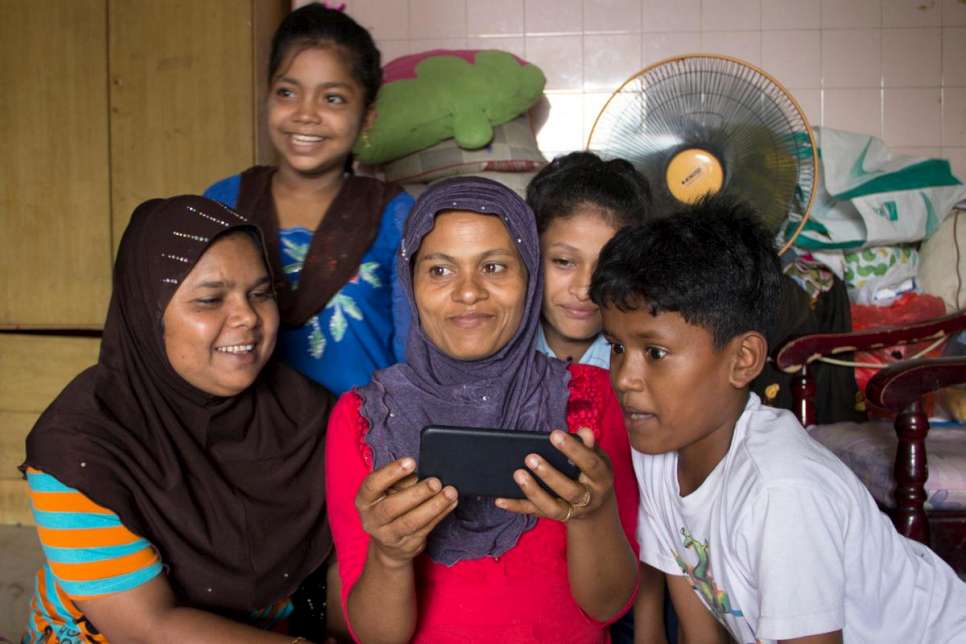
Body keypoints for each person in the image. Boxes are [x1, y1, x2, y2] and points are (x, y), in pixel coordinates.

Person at [591, 196, 966, 644]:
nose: (625, 378)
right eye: (616, 347)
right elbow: (700, 628)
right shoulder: (657, 453)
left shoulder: (781, 490)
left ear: (743, 359)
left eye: (655, 353)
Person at [325, 177, 640, 643]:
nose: (468, 292)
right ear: (409, 284)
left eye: (494, 267)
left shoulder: (591, 399)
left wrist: (593, 516)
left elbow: (607, 606)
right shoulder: (363, 418)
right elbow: (377, 637)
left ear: (529, 276)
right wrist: (390, 557)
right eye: (439, 271)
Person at [21, 196, 334, 643]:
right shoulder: (81, 447)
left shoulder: (307, 415)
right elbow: (147, 629)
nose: (248, 316)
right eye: (210, 299)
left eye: (261, 294)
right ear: (148, 314)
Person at [204, 3, 414, 395]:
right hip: (248, 440)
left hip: (362, 441)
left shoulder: (395, 216)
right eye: (287, 92)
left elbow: (412, 351)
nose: (306, 114)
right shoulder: (224, 200)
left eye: (332, 99)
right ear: (267, 96)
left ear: (367, 115)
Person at [527, 151, 651, 368]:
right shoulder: (498, 350)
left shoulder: (646, 368)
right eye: (564, 262)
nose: (584, 290)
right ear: (531, 254)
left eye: (606, 265)